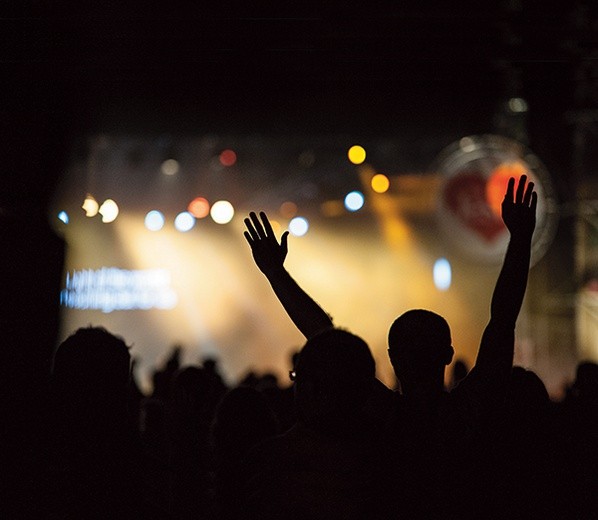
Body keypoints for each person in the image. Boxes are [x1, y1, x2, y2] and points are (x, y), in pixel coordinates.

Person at [244, 175, 537, 517]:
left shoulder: (385, 416)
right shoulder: (467, 412)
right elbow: (502, 320)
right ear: (447, 353)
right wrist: (520, 239)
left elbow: (323, 335)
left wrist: (276, 274)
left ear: (392, 359)